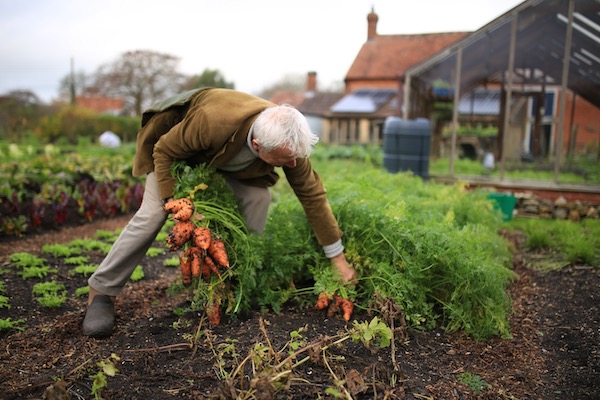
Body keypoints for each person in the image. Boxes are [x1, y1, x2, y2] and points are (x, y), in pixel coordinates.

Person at [82, 87, 357, 338]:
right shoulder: (211, 121)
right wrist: (176, 203)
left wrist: (338, 258)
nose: (293, 163)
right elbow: (164, 150)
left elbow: (312, 196)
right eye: (286, 160)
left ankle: (235, 281)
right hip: (171, 150)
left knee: (258, 197)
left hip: (224, 159)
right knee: (153, 214)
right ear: (259, 146)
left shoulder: (288, 142)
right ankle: (102, 292)